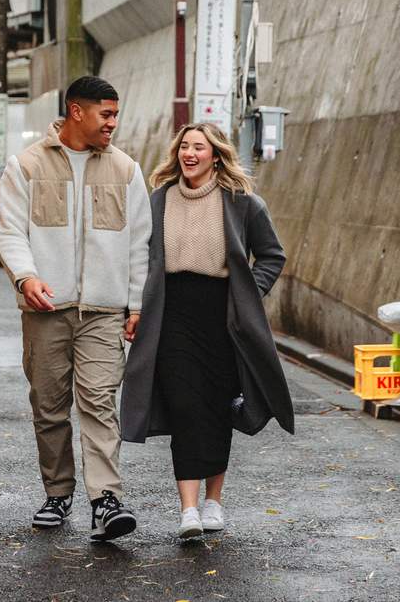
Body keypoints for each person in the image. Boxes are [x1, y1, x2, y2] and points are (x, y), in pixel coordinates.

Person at [0, 76, 152, 542]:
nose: (113, 123)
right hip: (46, 308)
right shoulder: (25, 165)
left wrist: (137, 303)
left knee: (100, 402)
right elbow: (9, 231)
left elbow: (140, 243)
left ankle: (105, 500)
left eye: (116, 114)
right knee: (49, 406)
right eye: (106, 114)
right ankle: (57, 491)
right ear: (76, 111)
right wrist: (26, 276)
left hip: (103, 311)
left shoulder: (126, 170)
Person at [120, 123, 294, 539]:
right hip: (171, 313)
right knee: (184, 406)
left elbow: (272, 255)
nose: (189, 153)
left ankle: (213, 502)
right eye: (184, 146)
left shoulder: (242, 203)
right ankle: (188, 510)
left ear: (216, 155)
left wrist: (250, 294)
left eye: (199, 147)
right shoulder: (158, 200)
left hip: (223, 316)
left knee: (216, 406)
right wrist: (136, 306)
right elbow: (140, 258)